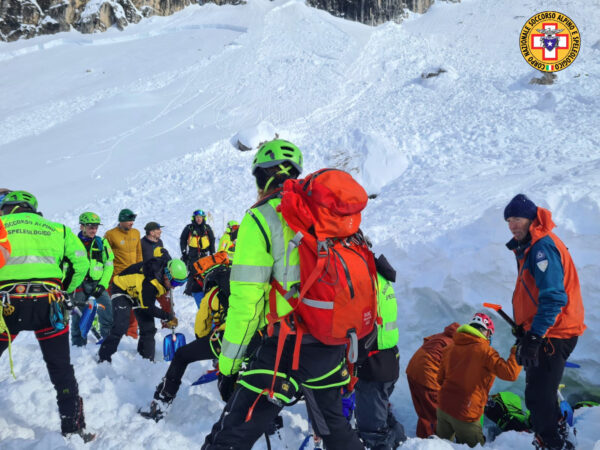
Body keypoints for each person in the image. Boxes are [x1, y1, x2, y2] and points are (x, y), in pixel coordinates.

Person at [202, 139, 363, 450]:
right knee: (336, 431)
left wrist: (228, 366)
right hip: (331, 341)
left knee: (229, 436)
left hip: (284, 347)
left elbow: (246, 304)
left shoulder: (260, 217)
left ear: (260, 177)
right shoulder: (324, 214)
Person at [0, 191, 94, 441]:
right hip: (49, 304)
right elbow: (81, 264)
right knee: (61, 368)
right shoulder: (59, 230)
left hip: (6, 305)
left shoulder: (1, 226)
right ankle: (72, 427)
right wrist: (65, 289)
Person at [504, 194, 585, 450]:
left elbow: (553, 298)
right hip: (548, 330)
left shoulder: (541, 248)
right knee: (540, 394)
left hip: (554, 332)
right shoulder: (531, 246)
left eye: (516, 218)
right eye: (508, 220)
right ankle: (555, 437)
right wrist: (525, 329)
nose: (512, 225)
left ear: (530, 219)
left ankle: (553, 444)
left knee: (539, 397)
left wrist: (535, 336)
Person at [140, 252, 234, 421]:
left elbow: (201, 328)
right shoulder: (242, 284)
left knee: (181, 355)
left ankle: (162, 401)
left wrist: (204, 344)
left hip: (226, 339)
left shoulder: (213, 293)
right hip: (253, 338)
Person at [436, 313, 521, 447]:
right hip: (466, 414)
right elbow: (510, 373)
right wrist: (517, 351)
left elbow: (440, 379)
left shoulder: (449, 348)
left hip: (443, 409)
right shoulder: (485, 351)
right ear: (486, 332)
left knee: (440, 446)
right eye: (490, 334)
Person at [355, 254, 406, 449]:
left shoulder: (365, 278)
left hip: (372, 363)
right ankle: (402, 444)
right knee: (381, 415)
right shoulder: (379, 275)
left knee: (372, 430)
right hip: (387, 359)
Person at [97, 252, 184, 362]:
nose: (174, 287)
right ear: (167, 275)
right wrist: (167, 316)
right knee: (121, 325)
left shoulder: (166, 272)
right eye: (175, 283)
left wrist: (169, 315)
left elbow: (161, 251)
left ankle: (146, 360)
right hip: (122, 289)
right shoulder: (151, 283)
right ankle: (103, 358)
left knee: (149, 329)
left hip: (139, 293)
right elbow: (148, 307)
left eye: (179, 284)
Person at [406, 322, 459, 438]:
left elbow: (427, 341)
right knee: (438, 416)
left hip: (414, 369)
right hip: (428, 374)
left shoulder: (449, 335)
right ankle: (432, 443)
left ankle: (422, 441)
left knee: (425, 412)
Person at [68, 212, 114, 346]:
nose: (94, 230)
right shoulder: (72, 243)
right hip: (79, 284)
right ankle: (78, 346)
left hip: (97, 284)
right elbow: (66, 265)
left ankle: (108, 343)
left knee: (107, 312)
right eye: (90, 227)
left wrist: (103, 284)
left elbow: (109, 265)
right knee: (78, 316)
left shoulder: (102, 243)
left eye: (96, 227)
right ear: (82, 226)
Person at [104, 208, 142, 339]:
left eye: (133, 220)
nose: (132, 222)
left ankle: (131, 334)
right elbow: (105, 257)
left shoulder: (136, 233)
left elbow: (139, 254)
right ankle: (114, 333)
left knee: (135, 306)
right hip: (117, 278)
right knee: (117, 307)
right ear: (122, 220)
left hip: (133, 277)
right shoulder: (110, 234)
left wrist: (141, 272)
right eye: (129, 220)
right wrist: (108, 278)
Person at [180, 209, 215, 296]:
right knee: (193, 272)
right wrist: (184, 252)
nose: (198, 219)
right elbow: (183, 239)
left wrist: (212, 252)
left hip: (204, 254)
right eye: (197, 217)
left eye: (200, 217)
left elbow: (212, 240)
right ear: (194, 218)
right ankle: (189, 291)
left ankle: (205, 289)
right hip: (193, 254)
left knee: (205, 272)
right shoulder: (189, 228)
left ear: (203, 218)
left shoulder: (207, 228)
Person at [141, 221, 171, 318]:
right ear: (151, 232)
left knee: (167, 304)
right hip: (147, 280)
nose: (160, 231)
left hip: (159, 279)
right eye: (158, 230)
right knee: (148, 306)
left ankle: (167, 324)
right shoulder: (141, 243)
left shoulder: (159, 242)